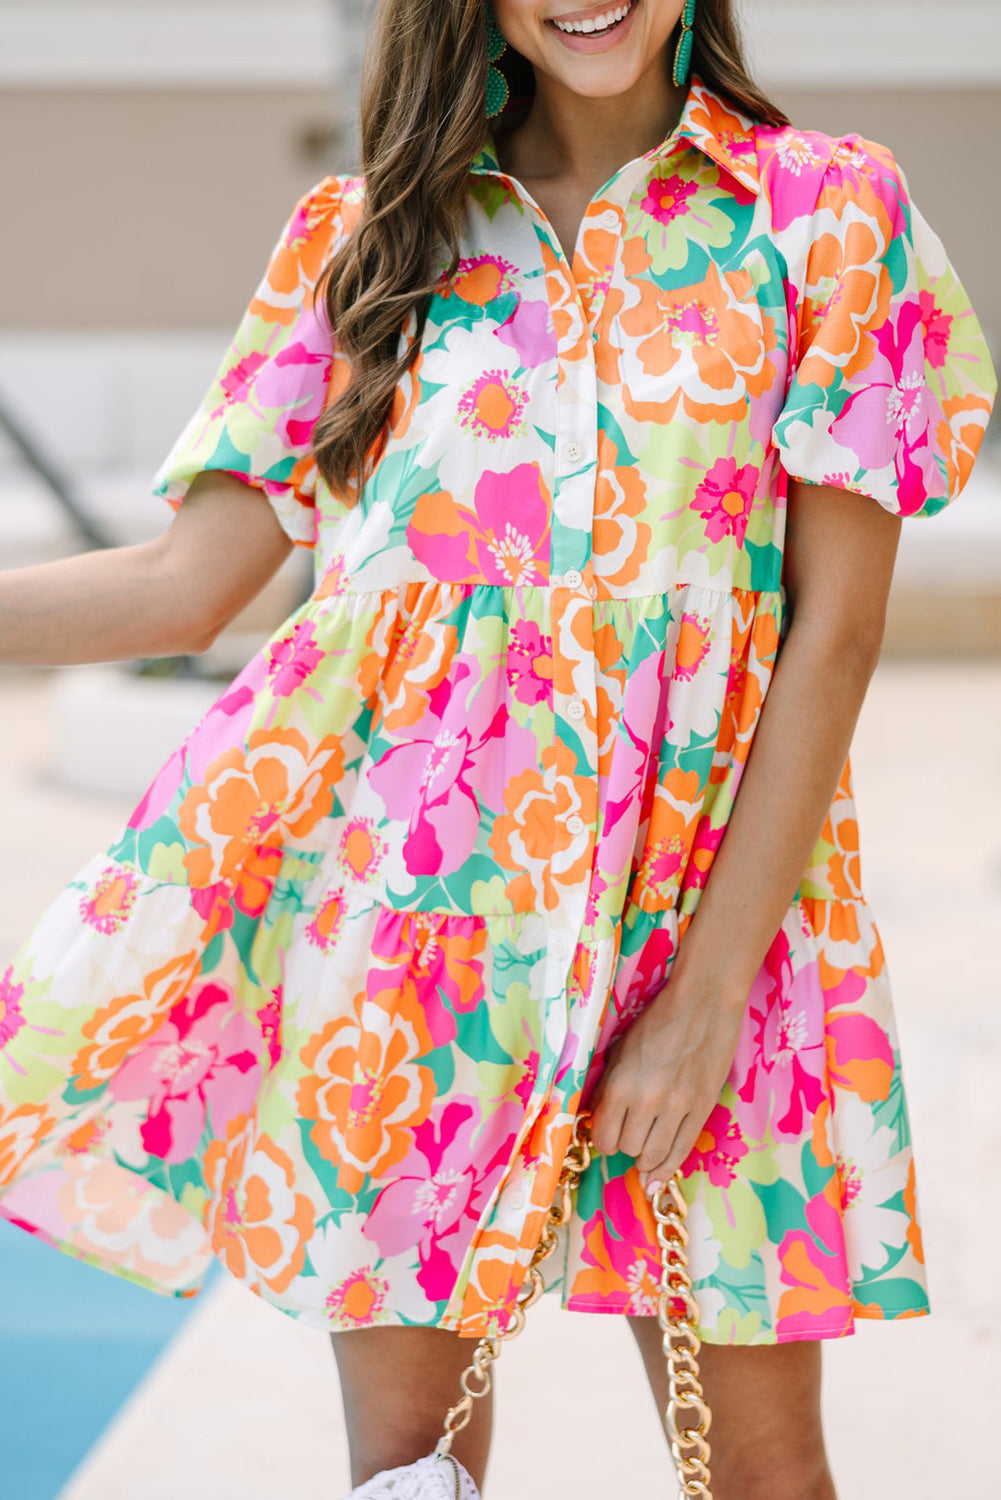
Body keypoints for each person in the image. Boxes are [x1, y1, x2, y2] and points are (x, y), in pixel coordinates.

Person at [0, 1, 996, 1496]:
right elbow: (183, 583)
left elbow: (829, 639)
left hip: (715, 931)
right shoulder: (367, 237)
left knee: (763, 1474)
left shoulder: (821, 211)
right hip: (415, 943)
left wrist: (707, 994)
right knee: (412, 1474)